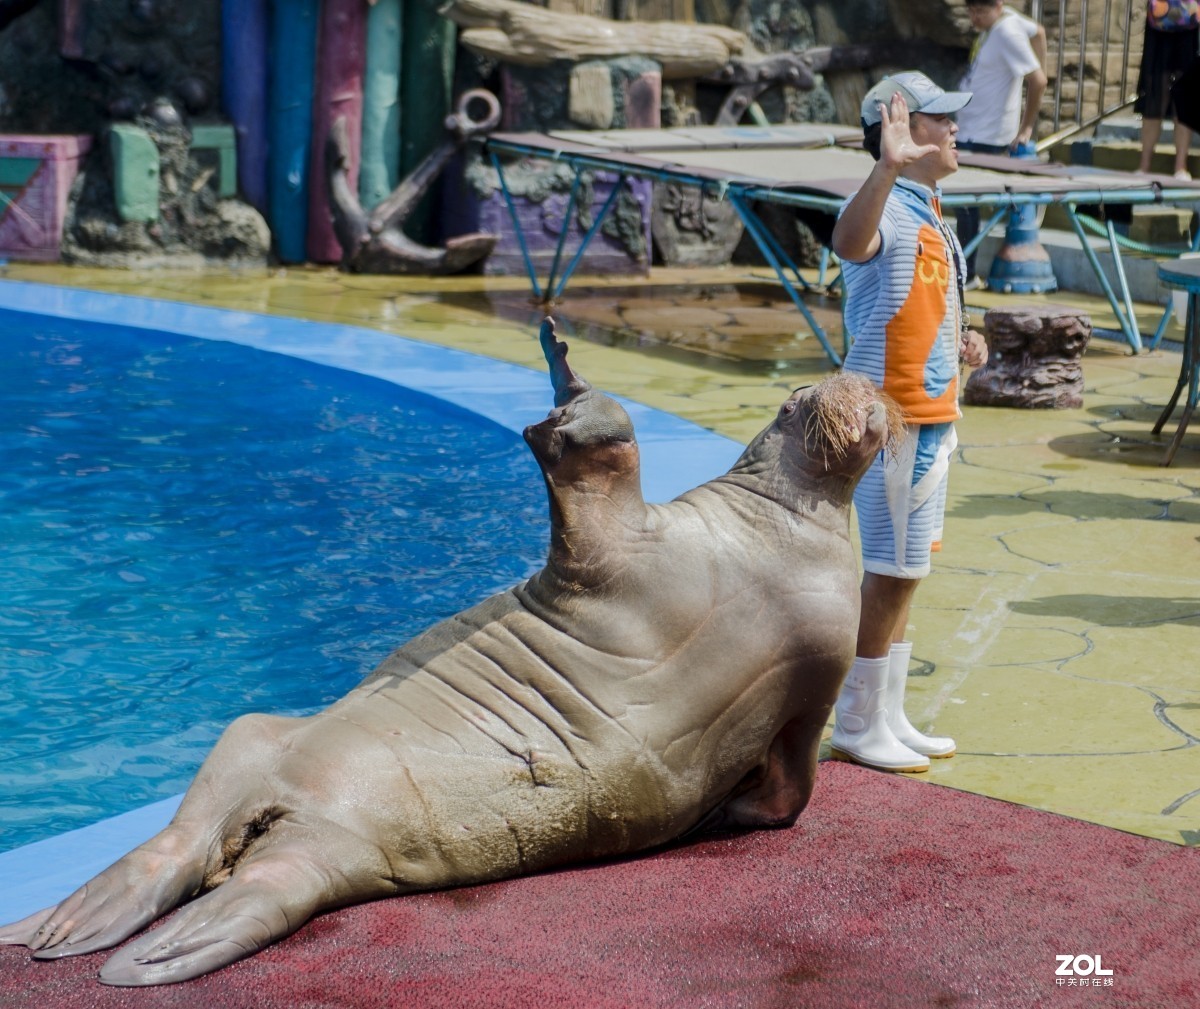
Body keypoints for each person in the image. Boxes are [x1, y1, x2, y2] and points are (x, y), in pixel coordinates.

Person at [828, 71, 988, 773]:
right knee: (891, 570)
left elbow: (921, 314)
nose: (955, 128)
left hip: (928, 420)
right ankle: (858, 721)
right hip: (889, 422)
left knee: (909, 571)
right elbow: (847, 241)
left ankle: (887, 710)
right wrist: (885, 168)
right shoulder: (886, 206)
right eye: (940, 118)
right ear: (899, 129)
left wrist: (963, 346)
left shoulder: (931, 216)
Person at [954, 0, 1048, 286]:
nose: (974, 17)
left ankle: (966, 273)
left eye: (980, 11)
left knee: (967, 205)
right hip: (971, 128)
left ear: (998, 5)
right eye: (970, 10)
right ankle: (965, 271)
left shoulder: (1007, 31)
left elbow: (1039, 80)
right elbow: (1040, 31)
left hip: (986, 135)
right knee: (964, 204)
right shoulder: (1007, 21)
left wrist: (1026, 127)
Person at [1134, 0, 1199, 180]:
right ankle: (1144, 165)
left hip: (1190, 21)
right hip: (1160, 20)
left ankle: (1181, 166)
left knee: (1186, 94)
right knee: (1154, 92)